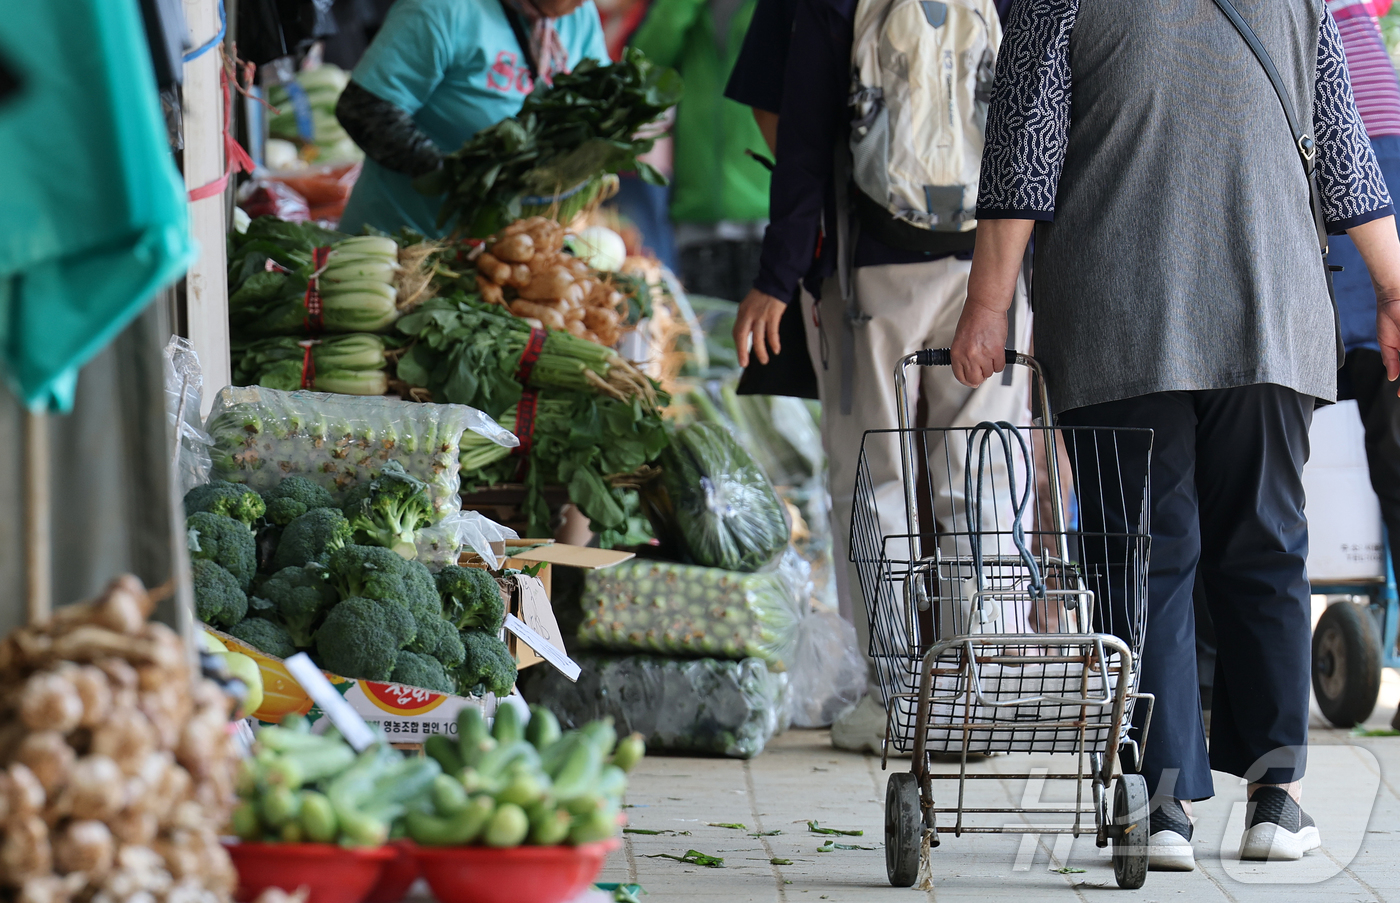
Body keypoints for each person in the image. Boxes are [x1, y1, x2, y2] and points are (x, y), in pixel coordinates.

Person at [951, 0, 1400, 870]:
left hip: (1124, 312)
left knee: (1142, 552)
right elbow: (1343, 151)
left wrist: (988, 306)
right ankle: (1277, 799)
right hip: (1270, 307)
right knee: (1266, 547)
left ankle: (1158, 805)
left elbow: (1025, 157)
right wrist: (1391, 287)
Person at [731, 0, 1030, 754]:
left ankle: (896, 695)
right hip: (990, 263)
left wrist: (779, 274)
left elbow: (796, 137)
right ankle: (982, 687)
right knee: (983, 472)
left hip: (870, 272)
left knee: (874, 478)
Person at [335, 0, 608, 237]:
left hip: (503, 255)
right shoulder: (442, 9)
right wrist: (456, 178)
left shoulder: (578, 17)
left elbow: (600, 107)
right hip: (399, 244)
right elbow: (364, 108)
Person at [630, 0, 773, 301]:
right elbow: (641, 70)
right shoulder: (688, 7)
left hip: (768, 214)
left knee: (771, 345)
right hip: (698, 213)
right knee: (706, 342)